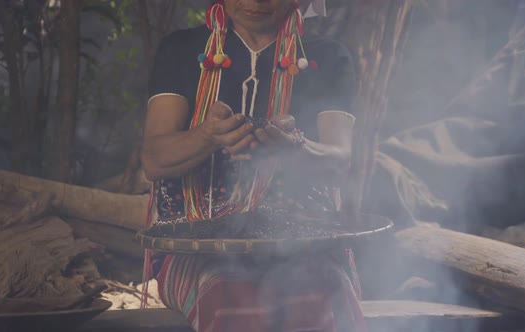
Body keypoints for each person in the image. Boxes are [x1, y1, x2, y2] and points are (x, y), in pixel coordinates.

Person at [140, 0, 367, 331]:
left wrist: (296, 148)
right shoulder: (182, 50)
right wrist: (206, 136)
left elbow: (340, 162)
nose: (257, 1)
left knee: (321, 289)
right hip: (194, 247)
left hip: (305, 243)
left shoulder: (328, 57)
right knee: (230, 294)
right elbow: (153, 160)